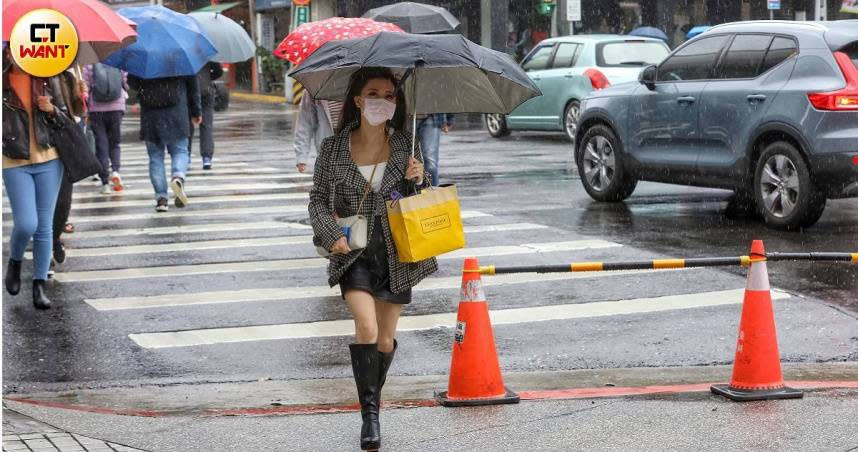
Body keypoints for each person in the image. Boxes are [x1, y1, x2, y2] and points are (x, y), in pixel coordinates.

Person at [308, 67, 437, 451]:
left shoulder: (405, 146)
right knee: (365, 329)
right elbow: (317, 199)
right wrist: (331, 237)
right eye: (375, 93)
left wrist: (419, 179)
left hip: (397, 252)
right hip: (354, 253)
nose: (384, 101)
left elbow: (419, 202)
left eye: (391, 95)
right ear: (359, 100)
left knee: (384, 339)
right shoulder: (333, 148)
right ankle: (371, 418)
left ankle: (370, 399)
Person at [2, 48, 69, 309]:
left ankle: (39, 285)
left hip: (50, 159)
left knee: (44, 227)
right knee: (26, 223)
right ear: (7, 52)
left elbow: (66, 117)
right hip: (14, 161)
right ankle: (15, 260)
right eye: (11, 49)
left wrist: (52, 109)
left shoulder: (48, 78)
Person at [128, 75, 202, 212]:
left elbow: (132, 82)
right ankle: (178, 175)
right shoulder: (182, 58)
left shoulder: (144, 58)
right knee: (180, 151)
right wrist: (196, 111)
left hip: (151, 115)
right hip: (177, 113)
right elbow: (193, 87)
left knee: (156, 158)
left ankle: (161, 198)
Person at [51, 69, 89, 267]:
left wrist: (79, 95)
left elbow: (77, 111)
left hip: (65, 144)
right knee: (43, 203)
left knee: (63, 202)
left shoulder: (67, 77)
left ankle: (55, 237)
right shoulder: (26, 75)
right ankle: (46, 246)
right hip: (39, 146)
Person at [84, 62, 128, 194]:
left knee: (101, 145)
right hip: (116, 107)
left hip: (97, 109)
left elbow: (86, 87)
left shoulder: (90, 64)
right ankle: (115, 171)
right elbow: (125, 83)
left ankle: (105, 182)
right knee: (115, 143)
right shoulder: (119, 61)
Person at [293, 92, 343, 173]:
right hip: (327, 150)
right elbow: (305, 123)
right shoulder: (314, 89)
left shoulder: (355, 84)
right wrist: (301, 157)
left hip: (356, 147)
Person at [189, 61, 223, 170]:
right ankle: (207, 158)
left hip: (189, 92)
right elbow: (219, 71)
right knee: (206, 125)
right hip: (205, 91)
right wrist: (207, 77)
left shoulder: (183, 52)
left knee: (188, 125)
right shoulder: (206, 51)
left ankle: (186, 155)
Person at [415, 113, 452, 186]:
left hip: (431, 116)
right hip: (406, 115)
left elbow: (447, 101)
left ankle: (432, 192)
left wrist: (449, 118)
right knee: (408, 159)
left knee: (430, 162)